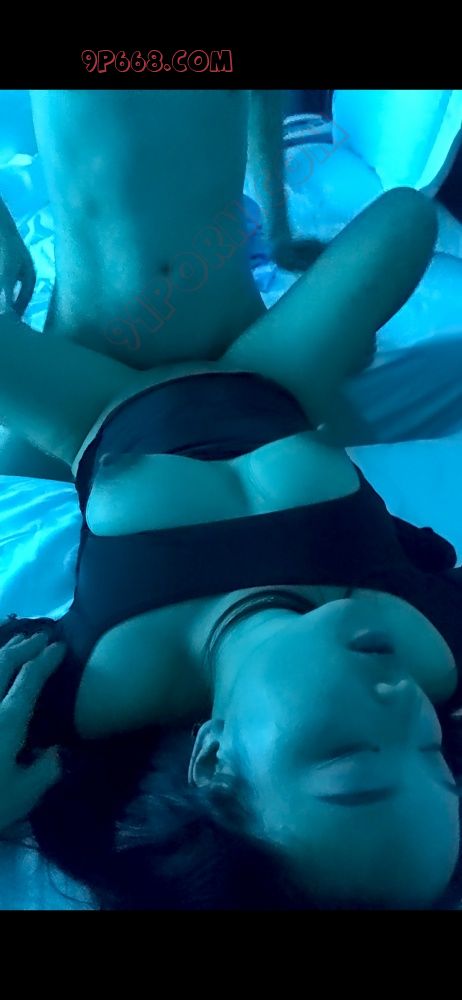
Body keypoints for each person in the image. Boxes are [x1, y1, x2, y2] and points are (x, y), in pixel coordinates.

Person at [1, 157, 461, 910]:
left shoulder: (96, 685)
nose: (407, 706)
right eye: (435, 755)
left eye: (348, 755)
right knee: (408, 215)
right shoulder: (435, 643)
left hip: (98, 403)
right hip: (274, 376)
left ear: (215, 759)